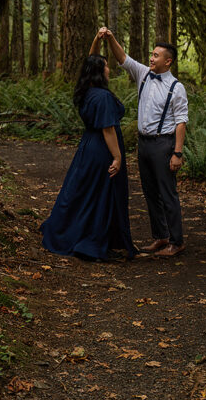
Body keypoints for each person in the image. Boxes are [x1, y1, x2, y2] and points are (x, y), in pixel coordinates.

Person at [40, 30, 136, 261]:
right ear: (98, 72)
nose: (108, 68)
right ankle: (91, 237)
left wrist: (97, 39)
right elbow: (108, 129)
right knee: (100, 194)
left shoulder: (86, 92)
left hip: (88, 147)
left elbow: (89, 61)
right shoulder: (101, 97)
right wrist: (117, 157)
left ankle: (79, 231)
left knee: (84, 192)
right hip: (102, 149)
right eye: (105, 66)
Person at [100, 27, 188, 257]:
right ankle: (161, 236)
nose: (151, 58)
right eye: (151, 54)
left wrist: (177, 153)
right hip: (144, 144)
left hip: (163, 144)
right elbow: (123, 59)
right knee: (150, 192)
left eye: (156, 55)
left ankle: (177, 242)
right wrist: (110, 37)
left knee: (167, 192)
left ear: (168, 62)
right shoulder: (144, 74)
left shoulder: (176, 88)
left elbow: (181, 122)